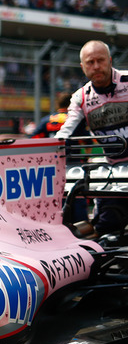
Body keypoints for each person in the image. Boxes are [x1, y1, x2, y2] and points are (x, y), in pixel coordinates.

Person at [56, 40, 128, 238]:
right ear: (82, 66)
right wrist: (48, 148)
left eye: (100, 61)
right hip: (116, 173)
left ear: (110, 60)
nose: (96, 66)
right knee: (108, 224)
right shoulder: (81, 97)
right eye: (90, 62)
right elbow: (66, 131)